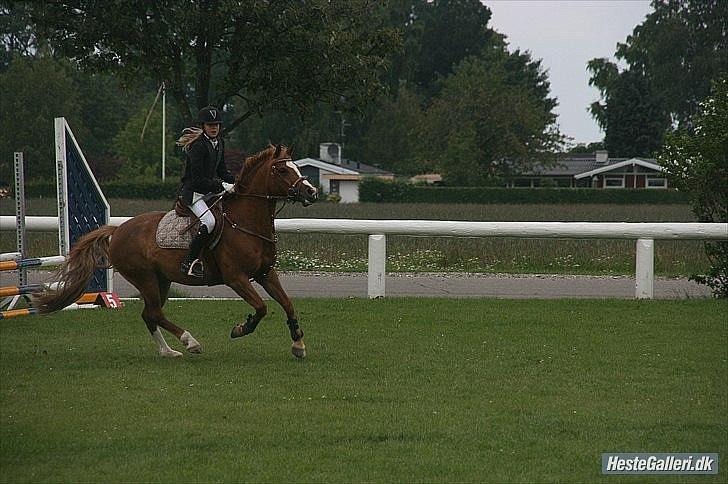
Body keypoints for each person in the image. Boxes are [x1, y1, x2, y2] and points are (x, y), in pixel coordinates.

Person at [176, 105, 236, 277]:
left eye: (216, 124)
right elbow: (197, 180)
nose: (214, 127)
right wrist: (221, 185)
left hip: (208, 191)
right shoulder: (197, 146)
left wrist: (237, 181)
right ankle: (190, 261)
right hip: (193, 193)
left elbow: (222, 171)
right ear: (203, 126)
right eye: (210, 125)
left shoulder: (219, 143)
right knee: (209, 222)